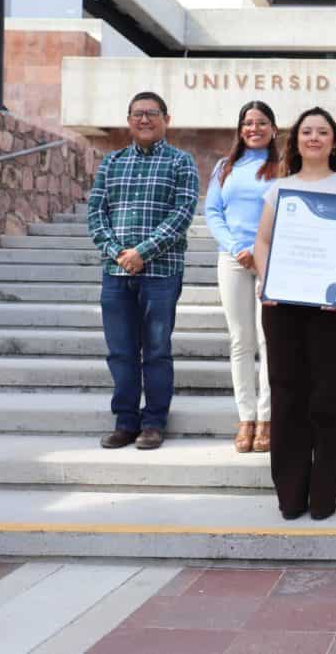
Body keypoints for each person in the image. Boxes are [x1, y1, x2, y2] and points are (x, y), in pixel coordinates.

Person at [253, 107, 336, 520]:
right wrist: (267, 281)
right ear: (296, 141)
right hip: (283, 305)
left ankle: (323, 494)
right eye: (307, 132)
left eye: (323, 132)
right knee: (287, 396)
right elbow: (263, 241)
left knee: (328, 397)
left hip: (333, 305)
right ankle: (290, 492)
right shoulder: (278, 189)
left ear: (334, 142)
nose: (314, 138)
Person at [88, 91, 198, 451]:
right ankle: (125, 421)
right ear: (129, 119)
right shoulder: (111, 162)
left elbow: (182, 214)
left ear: (167, 119)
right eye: (137, 113)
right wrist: (118, 252)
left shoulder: (182, 162)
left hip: (161, 272)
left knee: (156, 350)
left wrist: (143, 252)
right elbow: (96, 213)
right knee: (120, 351)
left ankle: (153, 422)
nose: (144, 119)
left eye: (152, 113)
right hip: (115, 272)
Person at [205, 100, 280, 453]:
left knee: (269, 341)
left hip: (272, 261)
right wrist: (237, 247)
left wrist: (261, 250)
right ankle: (245, 418)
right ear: (240, 129)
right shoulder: (225, 166)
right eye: (248, 123)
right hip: (233, 259)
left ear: (273, 129)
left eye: (262, 122)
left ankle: (266, 419)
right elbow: (212, 212)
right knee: (240, 340)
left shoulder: (283, 168)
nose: (254, 128)